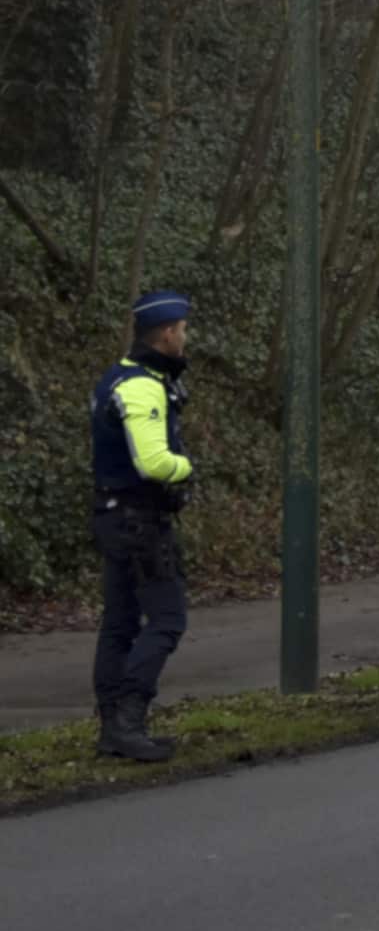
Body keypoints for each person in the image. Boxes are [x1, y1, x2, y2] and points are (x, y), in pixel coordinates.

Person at [89, 290, 199, 762]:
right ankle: (129, 718)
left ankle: (113, 726)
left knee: (119, 623)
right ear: (168, 333)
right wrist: (185, 468)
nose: (186, 337)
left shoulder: (119, 377)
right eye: (183, 330)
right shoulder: (141, 386)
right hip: (139, 521)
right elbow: (153, 461)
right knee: (169, 619)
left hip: (116, 514)